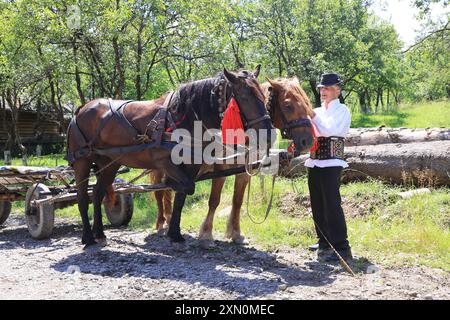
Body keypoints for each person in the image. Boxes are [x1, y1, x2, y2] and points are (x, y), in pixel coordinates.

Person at [305, 73, 352, 262]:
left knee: (332, 203)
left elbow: (329, 130)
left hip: (332, 162)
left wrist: (312, 115)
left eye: (327, 88)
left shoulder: (343, 111)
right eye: (322, 88)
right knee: (317, 202)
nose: (323, 91)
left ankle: (342, 246)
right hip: (315, 160)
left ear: (337, 91)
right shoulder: (317, 110)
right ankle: (324, 241)